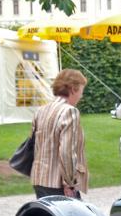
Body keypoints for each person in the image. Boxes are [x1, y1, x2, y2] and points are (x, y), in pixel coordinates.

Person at [30, 69, 90, 199]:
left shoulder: (41, 110)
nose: (81, 96)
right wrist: (69, 183)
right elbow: (66, 151)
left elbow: (34, 144)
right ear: (73, 89)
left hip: (39, 178)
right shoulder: (69, 111)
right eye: (81, 90)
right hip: (58, 183)